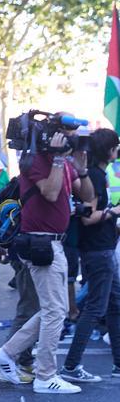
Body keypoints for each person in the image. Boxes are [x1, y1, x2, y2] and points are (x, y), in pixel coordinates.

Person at [0, 125, 94, 393]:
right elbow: (49, 192)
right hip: (40, 242)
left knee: (52, 310)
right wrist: (59, 159)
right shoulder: (33, 160)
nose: (70, 138)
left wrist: (80, 167)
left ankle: (6, 353)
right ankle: (45, 376)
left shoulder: (64, 163)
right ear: (50, 136)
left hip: (56, 243)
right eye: (65, 133)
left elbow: (88, 195)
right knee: (54, 311)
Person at [59, 128, 120, 382]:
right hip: (98, 250)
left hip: (102, 248)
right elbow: (89, 217)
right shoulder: (94, 175)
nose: (118, 150)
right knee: (95, 308)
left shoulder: (98, 174)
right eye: (115, 146)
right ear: (108, 149)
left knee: (115, 304)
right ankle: (71, 365)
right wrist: (114, 212)